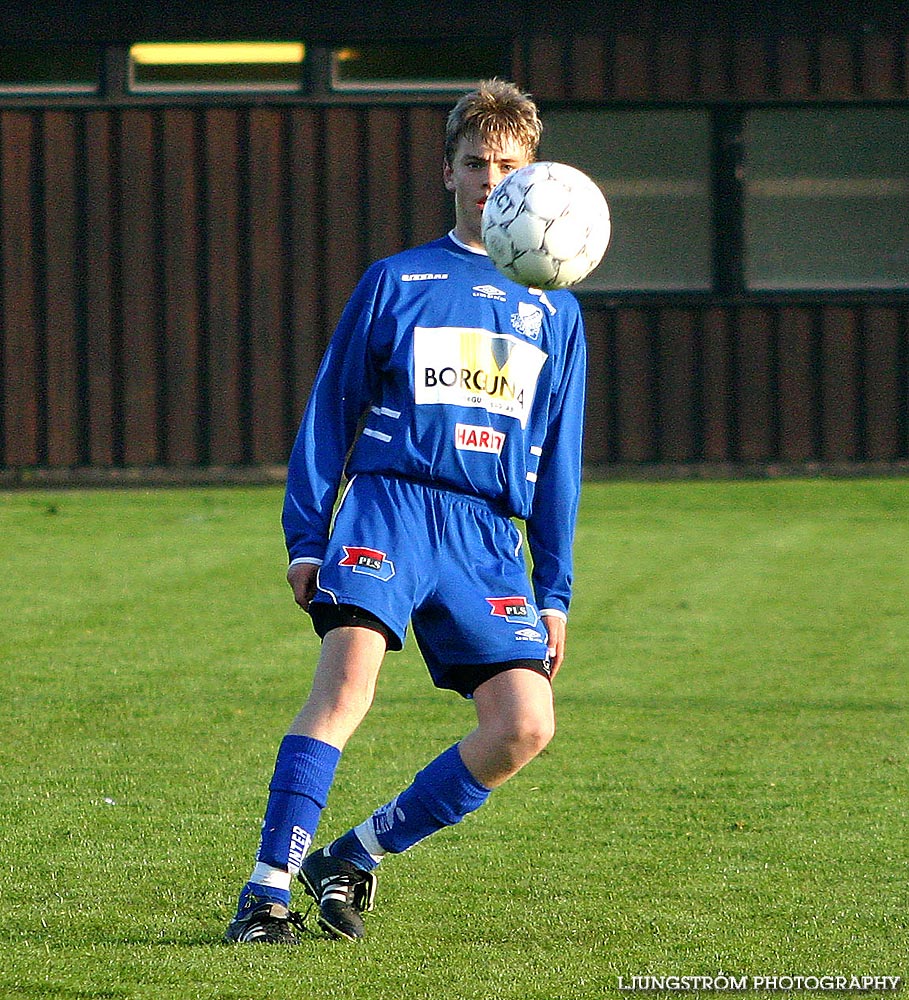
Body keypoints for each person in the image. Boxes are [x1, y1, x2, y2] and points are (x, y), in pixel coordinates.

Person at [225, 79, 587, 945]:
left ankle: (353, 854)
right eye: (474, 163)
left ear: (532, 175)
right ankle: (265, 892)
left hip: (486, 536)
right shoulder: (398, 279)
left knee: (523, 725)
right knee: (346, 684)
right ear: (447, 171)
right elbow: (330, 412)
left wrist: (554, 589)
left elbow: (558, 462)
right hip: (389, 509)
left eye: (507, 165)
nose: (490, 179)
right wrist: (306, 537)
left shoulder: (557, 309)